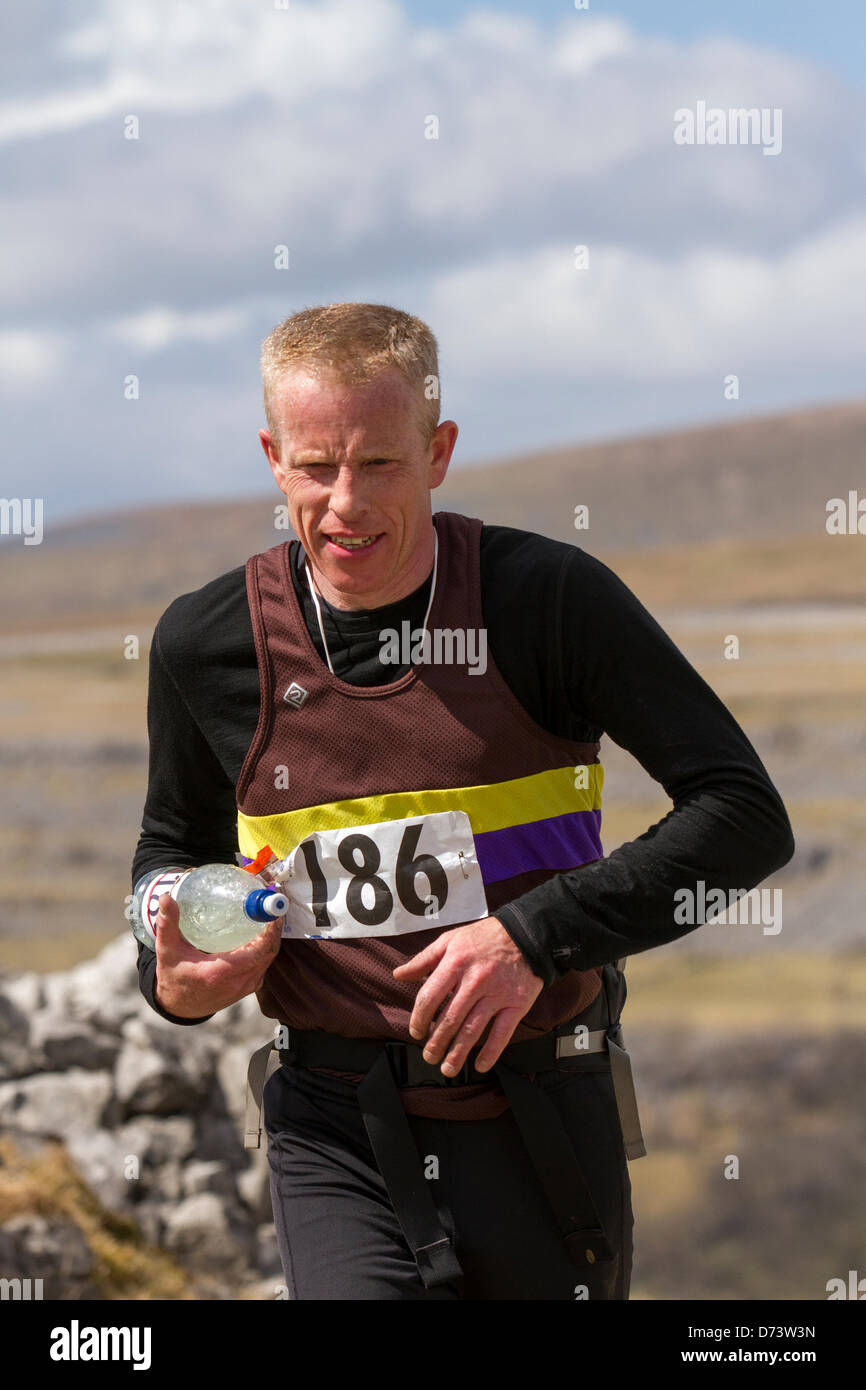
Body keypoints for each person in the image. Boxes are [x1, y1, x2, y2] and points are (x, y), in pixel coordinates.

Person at [131, 301, 795, 1301]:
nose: (344, 502)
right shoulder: (203, 644)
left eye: (379, 464)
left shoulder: (547, 600)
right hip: (332, 1126)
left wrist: (532, 937)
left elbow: (742, 815)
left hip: (540, 1112)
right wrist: (171, 974)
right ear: (272, 457)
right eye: (315, 466)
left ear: (438, 451)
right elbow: (166, 857)